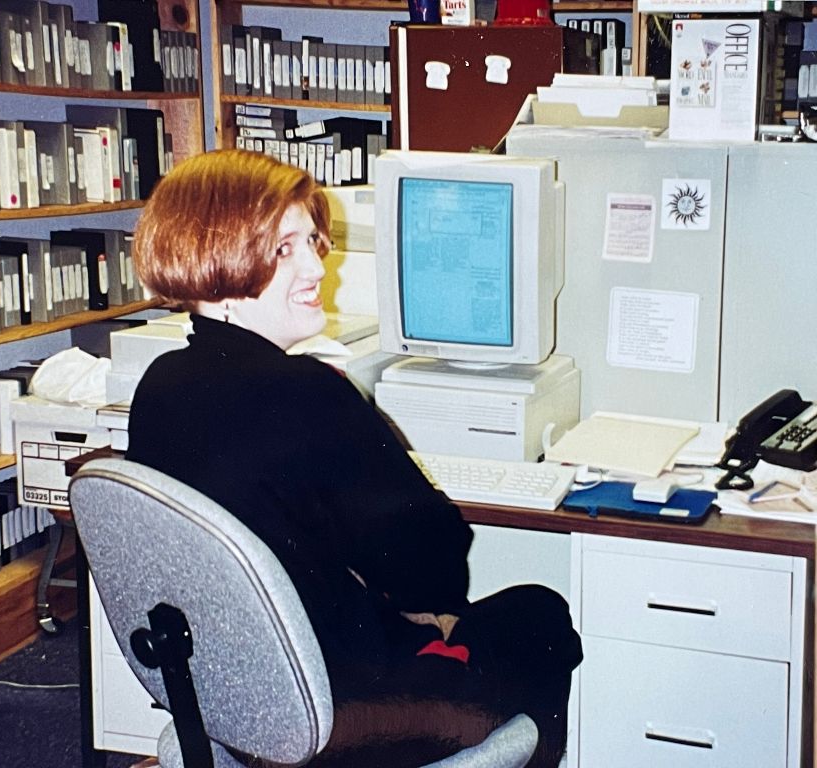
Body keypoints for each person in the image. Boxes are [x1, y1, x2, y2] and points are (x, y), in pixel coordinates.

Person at [125, 149, 582, 767]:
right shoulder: (305, 390)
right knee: (540, 615)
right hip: (339, 714)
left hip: (228, 699)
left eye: (313, 241)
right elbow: (433, 564)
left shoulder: (160, 384)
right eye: (284, 248)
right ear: (218, 255)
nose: (317, 265)